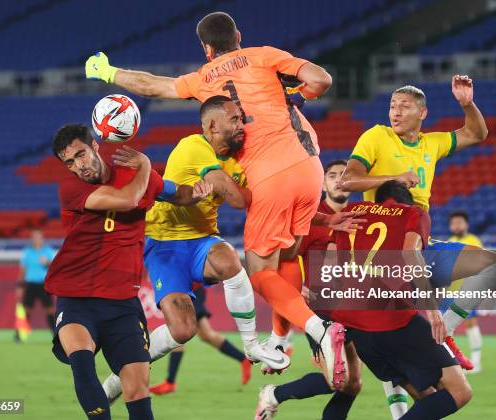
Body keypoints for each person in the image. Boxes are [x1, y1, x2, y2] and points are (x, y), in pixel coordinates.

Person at [85, 11, 358, 388]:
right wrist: (293, 94)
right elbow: (320, 79)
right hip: (311, 165)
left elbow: (153, 85)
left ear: (206, 48)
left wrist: (109, 72)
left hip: (270, 175)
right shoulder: (264, 55)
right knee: (291, 251)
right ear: (239, 36)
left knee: (261, 271)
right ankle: (280, 340)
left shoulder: (203, 81)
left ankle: (321, 331)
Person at [101, 96, 290, 403]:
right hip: (164, 245)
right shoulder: (193, 146)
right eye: (234, 119)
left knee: (229, 258)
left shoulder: (242, 154)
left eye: (242, 119)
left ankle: (251, 344)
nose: (241, 125)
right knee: (183, 330)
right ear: (212, 125)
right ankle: (115, 379)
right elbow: (239, 200)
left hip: (202, 240)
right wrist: (241, 186)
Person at [339, 79, 496, 410]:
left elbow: (477, 134)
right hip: (385, 255)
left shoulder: (433, 143)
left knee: (492, 264)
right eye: (392, 105)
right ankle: (431, 330)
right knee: (407, 367)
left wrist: (467, 104)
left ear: (423, 113)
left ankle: (442, 325)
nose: (396, 112)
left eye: (404, 106)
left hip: (419, 244)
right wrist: (392, 178)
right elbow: (348, 179)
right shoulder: (376, 136)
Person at [45, 124, 211, 420]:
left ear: (95, 146)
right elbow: (128, 200)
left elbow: (175, 193)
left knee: (137, 390)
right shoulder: (71, 188)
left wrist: (196, 193)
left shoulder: (134, 176)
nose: (78, 166)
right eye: (69, 162)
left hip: (122, 303)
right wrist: (145, 165)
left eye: (81, 155)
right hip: (76, 297)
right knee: (82, 363)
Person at [256, 160, 361, 420]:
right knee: (337, 380)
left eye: (345, 175)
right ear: (323, 183)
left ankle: (273, 395)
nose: (339, 180)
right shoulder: (312, 218)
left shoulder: (361, 216)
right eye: (333, 175)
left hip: (354, 308)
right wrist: (299, 290)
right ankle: (273, 394)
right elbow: (284, 259)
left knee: (353, 384)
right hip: (322, 311)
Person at [149, 287, 252, 396]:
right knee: (205, 334)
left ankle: (170, 382)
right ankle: (243, 359)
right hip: (190, 289)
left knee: (178, 332)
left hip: (184, 289)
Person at [447, 211, 484, 373]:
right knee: (448, 326)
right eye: (454, 223)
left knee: (470, 322)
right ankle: (454, 362)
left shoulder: (474, 241)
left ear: (466, 224)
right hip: (451, 289)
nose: (457, 225)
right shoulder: (450, 241)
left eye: (459, 222)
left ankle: (476, 361)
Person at [16, 229, 57, 339]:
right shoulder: (27, 252)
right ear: (32, 239)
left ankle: (55, 335)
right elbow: (23, 270)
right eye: (34, 237)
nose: (36, 239)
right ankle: (20, 335)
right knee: (26, 310)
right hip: (30, 284)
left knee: (49, 310)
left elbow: (55, 267)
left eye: (38, 237)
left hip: (44, 285)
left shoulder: (48, 251)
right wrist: (20, 286)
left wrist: (47, 263)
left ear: (42, 238)